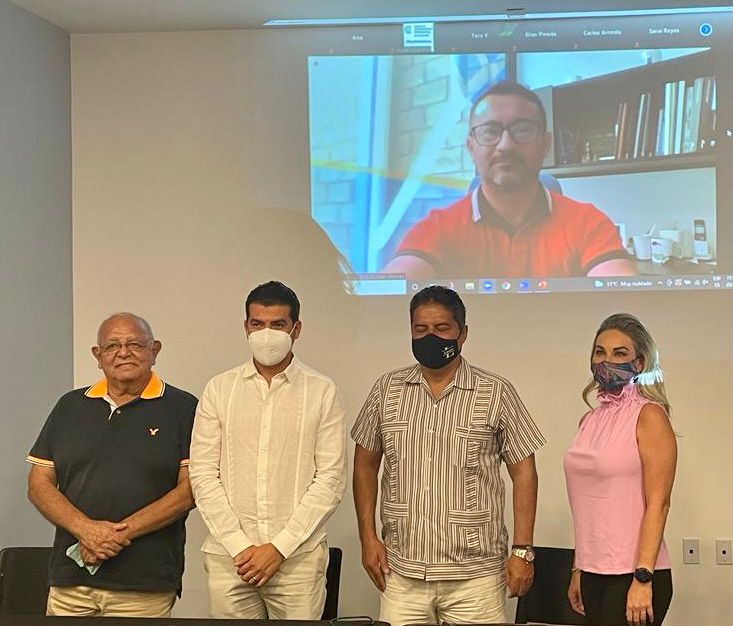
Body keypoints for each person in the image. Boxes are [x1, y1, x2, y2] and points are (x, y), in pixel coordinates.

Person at [352, 285, 546, 624]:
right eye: (421, 329)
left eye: (442, 328)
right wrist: (367, 538)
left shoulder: (495, 392)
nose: (430, 337)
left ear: (462, 333)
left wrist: (522, 550)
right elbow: (364, 466)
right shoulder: (386, 390)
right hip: (403, 572)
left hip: (476, 577)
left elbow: (524, 472)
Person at [189, 280, 346, 619]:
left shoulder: (322, 391)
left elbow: (330, 479)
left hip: (298, 559)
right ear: (246, 327)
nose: (267, 334)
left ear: (296, 329)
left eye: (278, 325)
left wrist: (279, 547)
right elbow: (202, 474)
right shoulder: (219, 389)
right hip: (230, 557)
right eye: (257, 324)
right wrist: (239, 545)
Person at [26, 313, 197, 617]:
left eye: (135, 344)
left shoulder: (184, 408)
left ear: (155, 350)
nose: (123, 353)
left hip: (144, 584)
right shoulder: (69, 406)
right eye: (112, 346)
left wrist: (114, 535)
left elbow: (190, 490)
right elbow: (39, 484)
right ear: (98, 355)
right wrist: (86, 530)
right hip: (71, 580)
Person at [383, 81, 636, 279]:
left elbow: (622, 297)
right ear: (471, 147)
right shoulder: (437, 227)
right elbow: (393, 290)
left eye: (523, 130)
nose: (505, 145)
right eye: (490, 132)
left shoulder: (589, 223)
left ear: (546, 144)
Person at [564, 313, 677, 626]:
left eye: (619, 353)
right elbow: (588, 504)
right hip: (592, 571)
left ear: (639, 363)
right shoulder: (589, 420)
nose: (606, 360)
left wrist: (643, 578)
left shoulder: (649, 416)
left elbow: (659, 503)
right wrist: (578, 568)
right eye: (600, 352)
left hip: (635, 573)